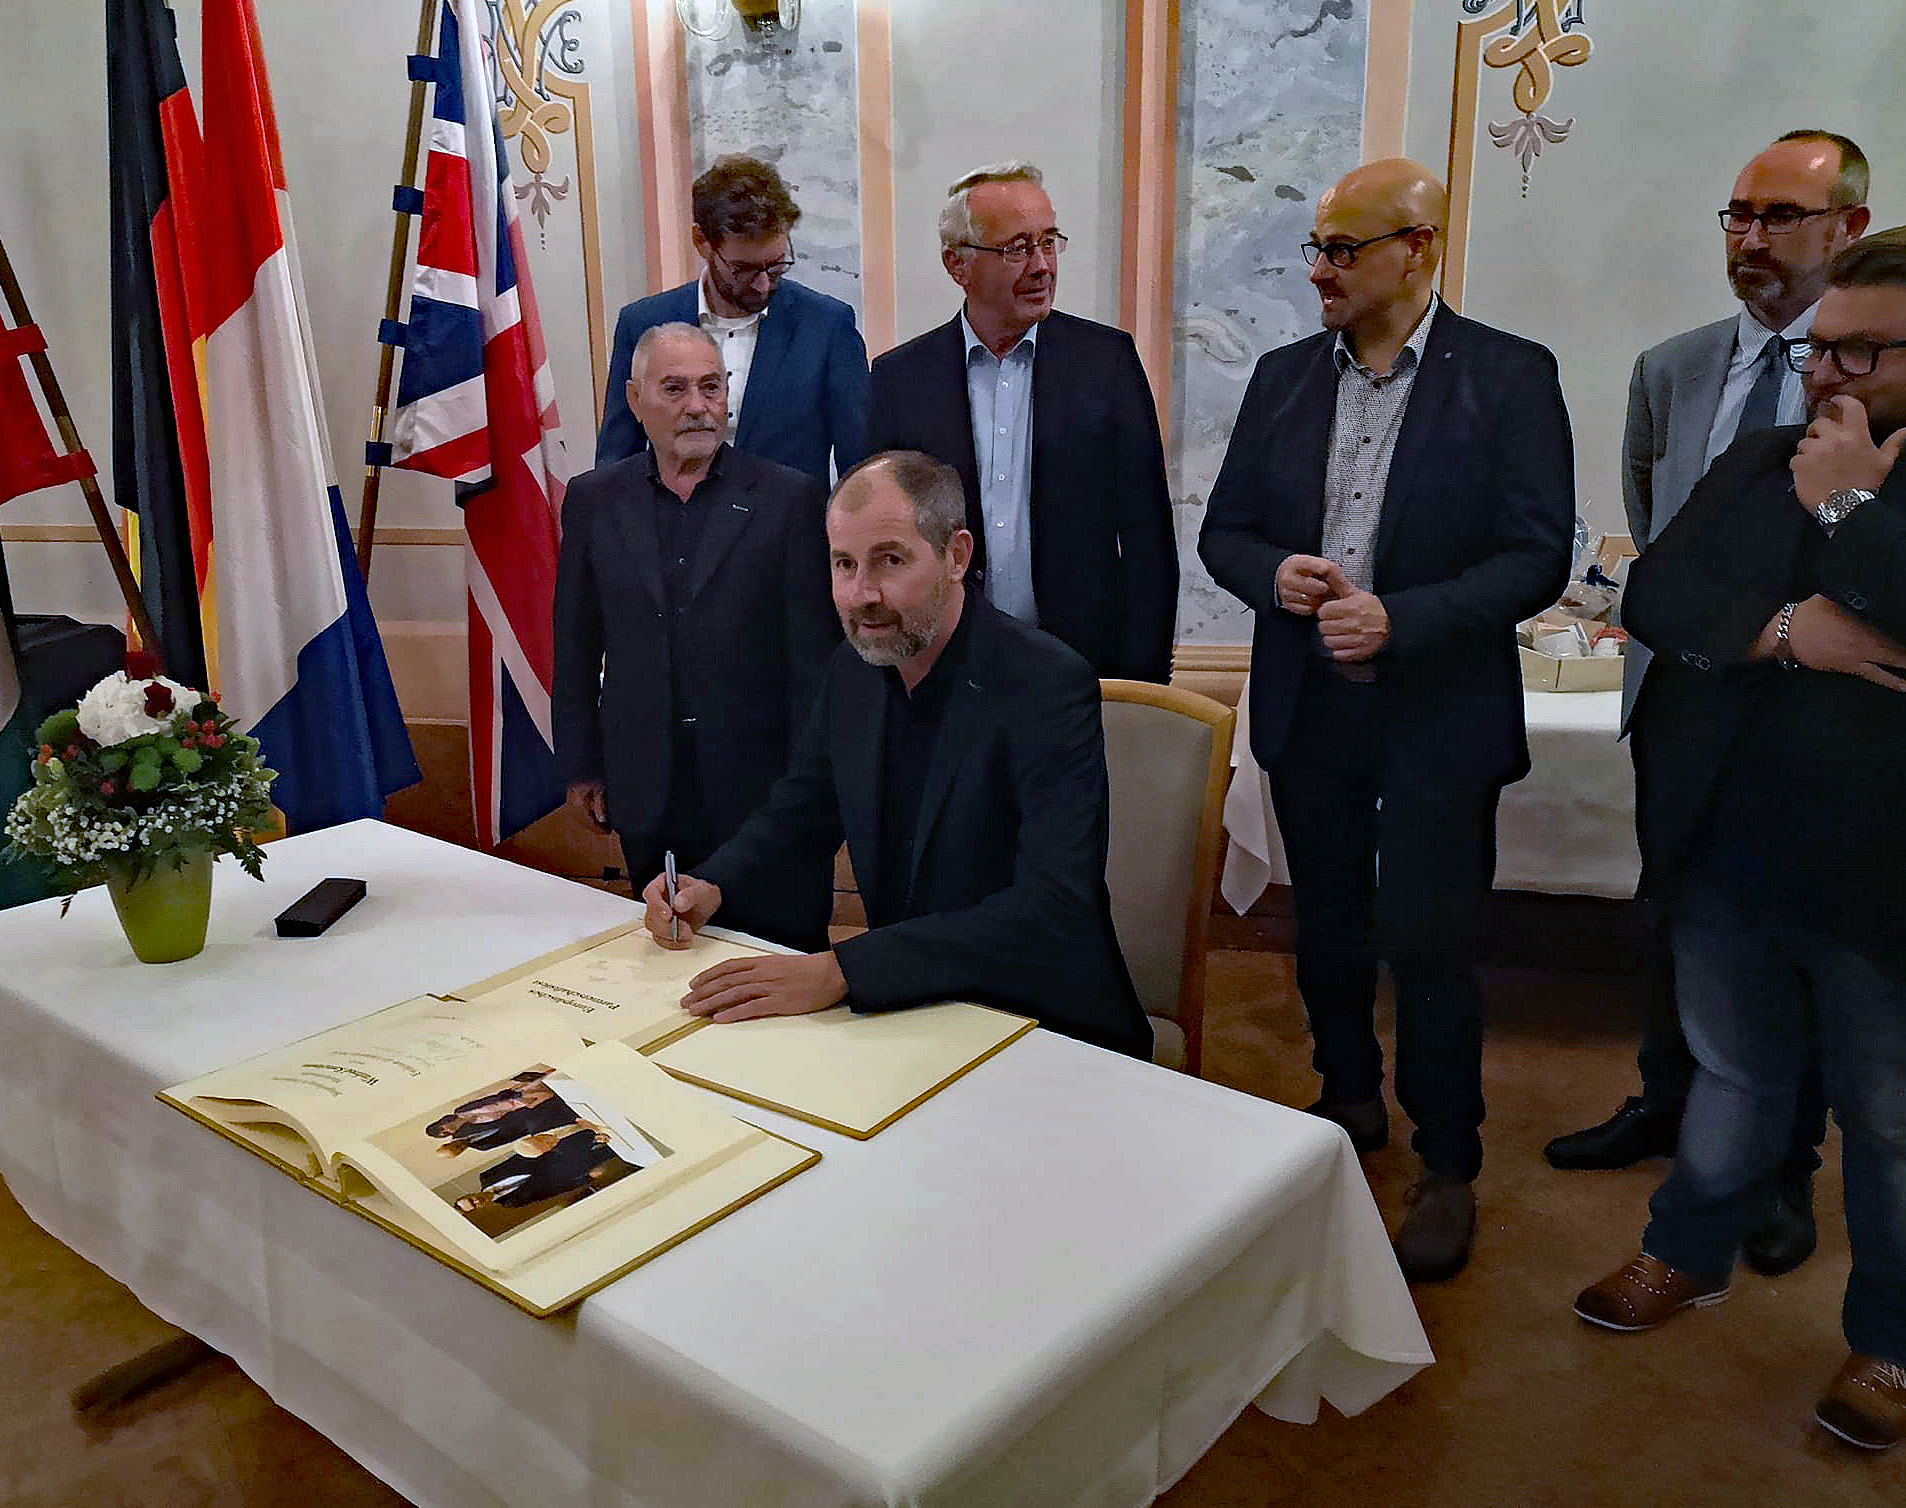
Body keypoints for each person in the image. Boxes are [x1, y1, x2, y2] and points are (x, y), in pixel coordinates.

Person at [1198, 159, 1575, 1283]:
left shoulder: (1508, 375)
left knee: (1431, 941)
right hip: (1310, 705)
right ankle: (1347, 1095)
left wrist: (1399, 619)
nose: (1318, 270)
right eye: (1314, 248)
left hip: (1435, 715)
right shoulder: (1280, 378)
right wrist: (1275, 574)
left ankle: (1448, 1159)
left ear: (1417, 249)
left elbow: (1534, 556)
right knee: (1326, 927)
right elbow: (1224, 533)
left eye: (1342, 249)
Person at [1573, 227, 1906, 1453]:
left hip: (1881, 876)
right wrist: (1781, 631)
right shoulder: (1763, 455)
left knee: (1888, 1119)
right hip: (1730, 843)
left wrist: (1851, 506)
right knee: (1731, 1070)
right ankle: (1687, 1249)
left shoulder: (1829, 477)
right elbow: (1657, 590)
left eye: (1861, 354)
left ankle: (1890, 1340)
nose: (1824, 375)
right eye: (1821, 347)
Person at [1545, 132, 1872, 1277]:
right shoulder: (1671, 367)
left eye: (1779, 216)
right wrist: (1742, 628)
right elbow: (1657, 544)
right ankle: (1664, 1102)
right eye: (1737, 214)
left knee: (1802, 948)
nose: (1750, 237)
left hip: (1818, 729)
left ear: (1846, 228)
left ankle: (1782, 1168)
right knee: (1678, 916)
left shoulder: (1865, 396)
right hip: (1684, 696)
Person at [640, 449, 1152, 1060]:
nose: (862, 594)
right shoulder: (853, 669)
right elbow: (799, 814)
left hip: (1045, 1025)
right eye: (844, 564)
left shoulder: (1047, 683)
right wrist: (712, 884)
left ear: (956, 556)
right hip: (910, 1014)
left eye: (890, 560)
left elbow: (1051, 906)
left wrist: (843, 970)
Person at [555, 323, 839, 947]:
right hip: (645, 786)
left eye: (711, 387)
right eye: (676, 388)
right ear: (635, 400)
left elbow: (814, 665)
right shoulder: (594, 500)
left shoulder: (789, 499)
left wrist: (811, 787)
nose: (698, 406)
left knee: (776, 961)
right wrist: (581, 766)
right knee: (668, 957)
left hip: (762, 793)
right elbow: (575, 642)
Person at [865, 162, 1178, 682]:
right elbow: (881, 539)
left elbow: (1149, 538)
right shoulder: (901, 380)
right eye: (1017, 248)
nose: (1042, 266)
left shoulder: (1107, 364)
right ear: (957, 264)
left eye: (1049, 243)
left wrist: (1141, 682)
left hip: (1080, 668)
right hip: (942, 670)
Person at [595, 155, 869, 487]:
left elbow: (861, 469)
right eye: (744, 269)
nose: (763, 284)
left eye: (776, 266)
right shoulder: (643, 323)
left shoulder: (827, 328)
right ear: (702, 242)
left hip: (789, 520)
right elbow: (616, 462)